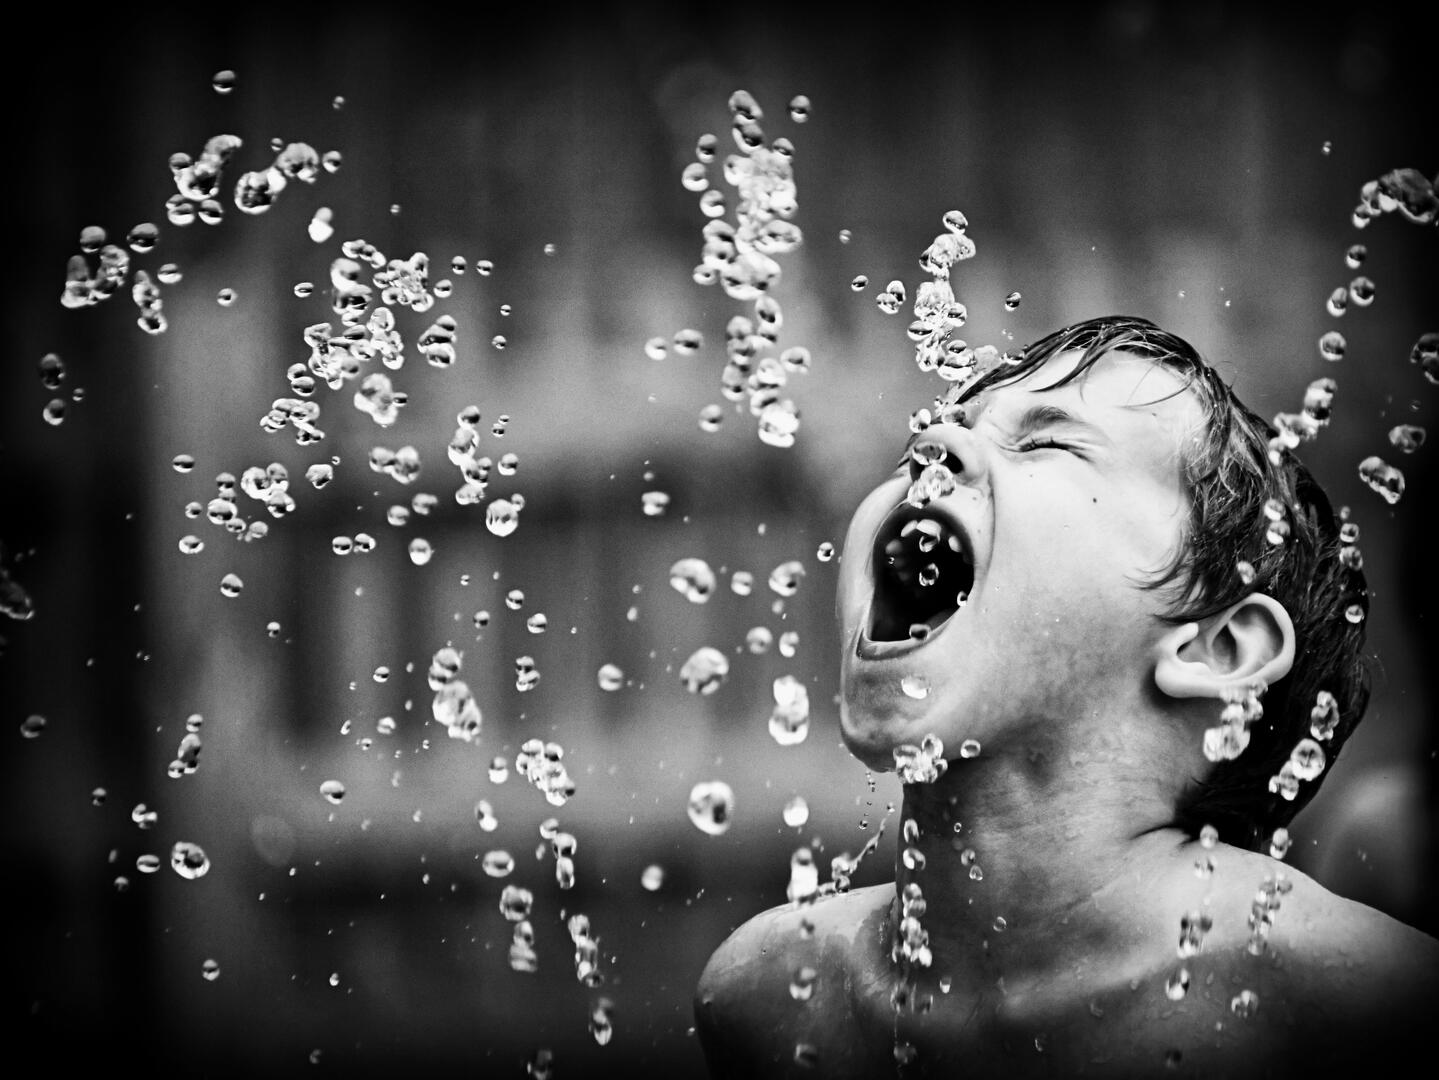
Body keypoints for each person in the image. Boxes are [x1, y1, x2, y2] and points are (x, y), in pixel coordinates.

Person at [693, 315, 1438, 1078]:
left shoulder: (1353, 1003)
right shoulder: (773, 994)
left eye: (1046, 441)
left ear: (1216, 650)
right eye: (938, 428)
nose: (933, 450)